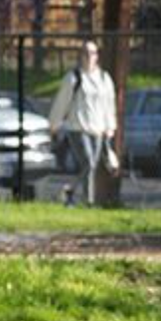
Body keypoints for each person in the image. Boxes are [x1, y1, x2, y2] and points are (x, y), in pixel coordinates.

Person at [46, 38, 118, 206]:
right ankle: (89, 200)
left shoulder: (104, 78)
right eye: (85, 53)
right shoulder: (73, 78)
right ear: (80, 56)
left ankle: (75, 194)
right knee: (89, 162)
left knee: (91, 167)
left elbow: (109, 103)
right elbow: (61, 102)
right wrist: (54, 124)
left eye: (92, 53)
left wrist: (110, 126)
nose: (88, 57)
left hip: (98, 129)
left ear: (97, 56)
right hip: (77, 128)